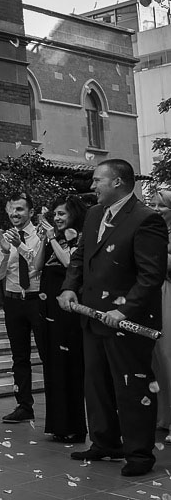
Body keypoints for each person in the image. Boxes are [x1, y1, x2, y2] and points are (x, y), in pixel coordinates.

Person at [59, 159, 169, 477]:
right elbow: (80, 257)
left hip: (126, 321)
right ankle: (105, 442)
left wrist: (123, 311)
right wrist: (69, 289)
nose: (92, 186)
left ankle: (139, 453)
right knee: (96, 384)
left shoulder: (146, 219)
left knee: (131, 386)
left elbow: (151, 275)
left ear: (118, 182)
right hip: (92, 316)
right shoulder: (94, 215)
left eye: (97, 181)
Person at [33, 195, 88, 443]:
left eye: (62, 214)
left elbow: (70, 263)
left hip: (66, 305)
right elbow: (36, 266)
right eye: (54, 214)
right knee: (52, 362)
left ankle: (75, 426)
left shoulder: (77, 237)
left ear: (74, 214)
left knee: (69, 363)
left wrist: (54, 238)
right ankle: (57, 424)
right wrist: (42, 240)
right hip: (47, 304)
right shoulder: (52, 238)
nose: (57, 218)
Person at [0, 193, 45, 424]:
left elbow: (37, 264)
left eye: (20, 210)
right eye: (12, 210)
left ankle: (56, 406)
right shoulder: (4, 237)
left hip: (38, 300)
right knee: (19, 357)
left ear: (31, 212)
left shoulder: (42, 234)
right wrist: (4, 250)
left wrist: (19, 245)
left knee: (47, 354)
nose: (15, 214)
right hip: (13, 301)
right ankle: (24, 406)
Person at [151, 188, 171, 440]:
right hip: (151, 294)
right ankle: (162, 415)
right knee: (155, 357)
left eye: (162, 206)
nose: (156, 210)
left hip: (169, 294)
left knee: (168, 355)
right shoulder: (153, 232)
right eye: (153, 205)